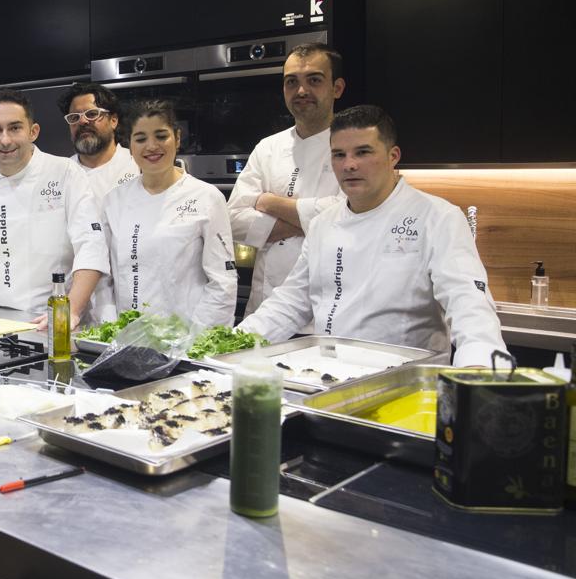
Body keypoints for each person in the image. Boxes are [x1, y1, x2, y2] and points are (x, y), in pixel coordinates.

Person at [237, 105, 506, 365]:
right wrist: (233, 343)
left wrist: (479, 369)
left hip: (406, 385)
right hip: (329, 376)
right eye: (339, 155)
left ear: (393, 156)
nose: (349, 165)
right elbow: (291, 301)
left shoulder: (437, 217)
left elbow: (469, 304)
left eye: (363, 152)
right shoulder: (323, 224)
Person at [0, 89, 109, 328]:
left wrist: (70, 309)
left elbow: (90, 245)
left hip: (51, 321)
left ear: (33, 132)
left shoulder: (64, 173)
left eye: (15, 128)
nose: (5, 140)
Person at [228, 42, 346, 317]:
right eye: (291, 82)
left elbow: (349, 218)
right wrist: (311, 221)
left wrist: (268, 202)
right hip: (264, 309)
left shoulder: (353, 145)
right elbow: (234, 220)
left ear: (337, 88)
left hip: (324, 313)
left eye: (314, 80)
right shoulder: (267, 147)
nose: (301, 91)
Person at [102, 100, 237, 328]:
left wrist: (195, 339)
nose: (152, 146)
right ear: (130, 146)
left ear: (177, 137)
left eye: (161, 136)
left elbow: (223, 282)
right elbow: (104, 279)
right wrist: (111, 329)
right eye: (141, 139)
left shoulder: (206, 197)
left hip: (186, 339)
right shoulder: (114, 201)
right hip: (126, 339)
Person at [59, 82, 139, 201]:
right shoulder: (62, 173)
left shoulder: (137, 163)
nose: (82, 121)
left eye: (91, 114)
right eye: (74, 117)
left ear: (113, 120)